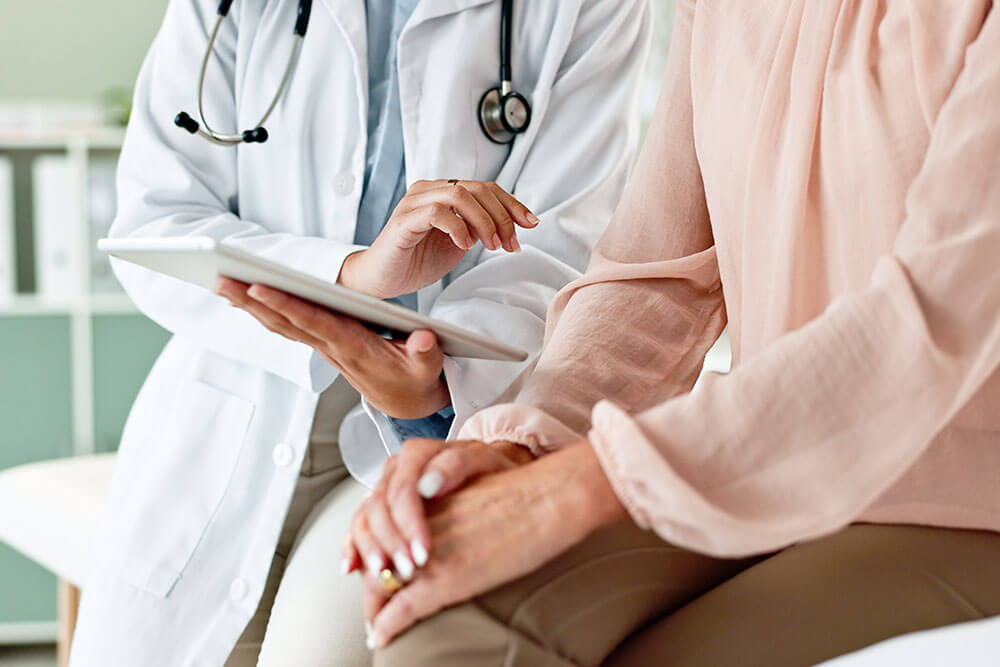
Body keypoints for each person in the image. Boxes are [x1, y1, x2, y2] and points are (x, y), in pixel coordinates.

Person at [348, 1, 1000, 664]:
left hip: (955, 502)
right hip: (750, 466)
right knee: (442, 618)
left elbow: (927, 323)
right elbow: (654, 279)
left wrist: (575, 486)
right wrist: (519, 446)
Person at [68, 0, 652, 665]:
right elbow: (155, 224)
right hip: (231, 409)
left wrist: (434, 387)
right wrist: (351, 276)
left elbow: (558, 249)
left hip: (432, 430)